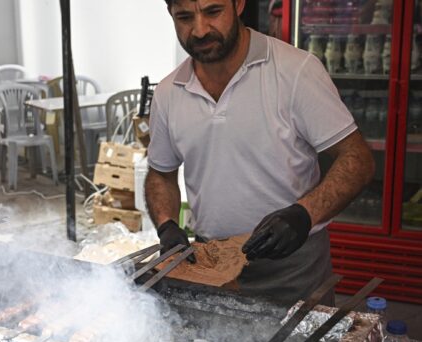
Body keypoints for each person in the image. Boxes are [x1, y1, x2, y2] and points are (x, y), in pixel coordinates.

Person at [144, 0, 375, 305]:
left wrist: (304, 214)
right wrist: (167, 225)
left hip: (294, 269)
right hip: (212, 266)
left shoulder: (296, 71)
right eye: (185, 17)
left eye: (213, 12)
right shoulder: (169, 92)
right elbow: (161, 173)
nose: (199, 30)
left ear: (238, 4)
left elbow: (357, 159)